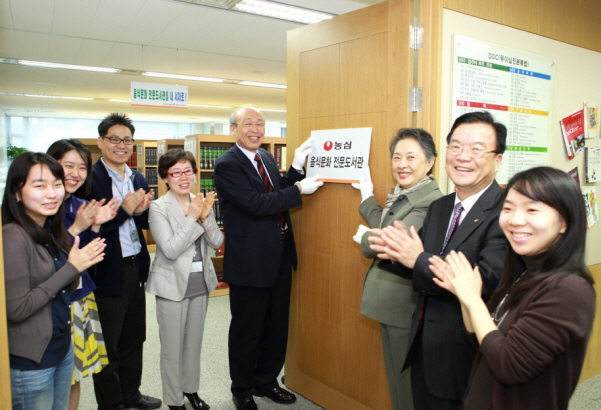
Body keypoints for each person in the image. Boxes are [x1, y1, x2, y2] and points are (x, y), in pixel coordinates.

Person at [370, 111, 507, 410]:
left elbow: (485, 281)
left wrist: (416, 258)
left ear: (497, 159)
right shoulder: (441, 206)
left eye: (477, 149)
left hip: (466, 353)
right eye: (455, 146)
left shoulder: (506, 211)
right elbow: (422, 263)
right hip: (423, 343)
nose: (463, 156)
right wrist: (395, 255)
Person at [429, 166, 596, 410]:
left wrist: (472, 300)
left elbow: (509, 365)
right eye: (508, 208)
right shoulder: (525, 271)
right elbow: (484, 340)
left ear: (564, 222)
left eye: (532, 210)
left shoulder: (569, 289)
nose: (515, 220)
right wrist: (464, 296)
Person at [214, 105, 323, 410]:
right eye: (247, 123)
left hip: (279, 254)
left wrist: (296, 169)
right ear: (233, 129)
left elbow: (279, 192)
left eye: (260, 124)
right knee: (247, 329)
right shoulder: (227, 165)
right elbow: (256, 204)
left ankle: (266, 381)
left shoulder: (265, 157)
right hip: (250, 261)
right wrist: (299, 189)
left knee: (276, 325)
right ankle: (242, 389)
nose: (255, 129)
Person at [4, 152, 106, 410]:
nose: (52, 194)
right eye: (40, 186)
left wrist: (76, 266)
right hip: (33, 358)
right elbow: (17, 309)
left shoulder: (49, 229)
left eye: (57, 185)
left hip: (61, 346)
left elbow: (63, 287)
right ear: (17, 192)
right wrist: (72, 268)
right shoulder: (13, 236)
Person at [351, 128, 442, 410]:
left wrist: (365, 238)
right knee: (396, 377)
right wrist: (367, 198)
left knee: (405, 384)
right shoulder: (404, 194)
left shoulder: (429, 201)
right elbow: (387, 223)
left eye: (411, 157)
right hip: (391, 305)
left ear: (430, 162)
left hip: (405, 306)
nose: (402, 164)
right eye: (397, 157)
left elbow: (391, 240)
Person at [87, 113, 160, 410]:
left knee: (134, 338)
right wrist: (125, 211)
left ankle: (132, 395)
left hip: (135, 267)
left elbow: (140, 223)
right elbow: (90, 228)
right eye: (114, 139)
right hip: (107, 271)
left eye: (127, 140)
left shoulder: (137, 177)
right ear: (100, 142)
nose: (121, 145)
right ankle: (112, 404)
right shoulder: (91, 179)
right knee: (108, 346)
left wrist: (142, 211)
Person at [147, 149, 224, 410]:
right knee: (172, 348)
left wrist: (205, 217)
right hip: (171, 286)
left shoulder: (199, 201)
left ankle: (191, 390)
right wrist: (192, 218)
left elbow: (217, 242)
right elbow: (170, 250)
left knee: (193, 344)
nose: (183, 177)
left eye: (188, 171)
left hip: (200, 283)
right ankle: (174, 400)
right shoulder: (158, 207)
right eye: (176, 172)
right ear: (165, 178)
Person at [47, 139, 120, 410]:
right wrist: (76, 228)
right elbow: (45, 258)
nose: (75, 173)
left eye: (82, 167)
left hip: (80, 295)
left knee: (75, 374)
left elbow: (88, 254)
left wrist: (96, 226)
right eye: (68, 165)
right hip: (51, 302)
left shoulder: (80, 204)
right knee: (50, 378)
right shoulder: (43, 206)